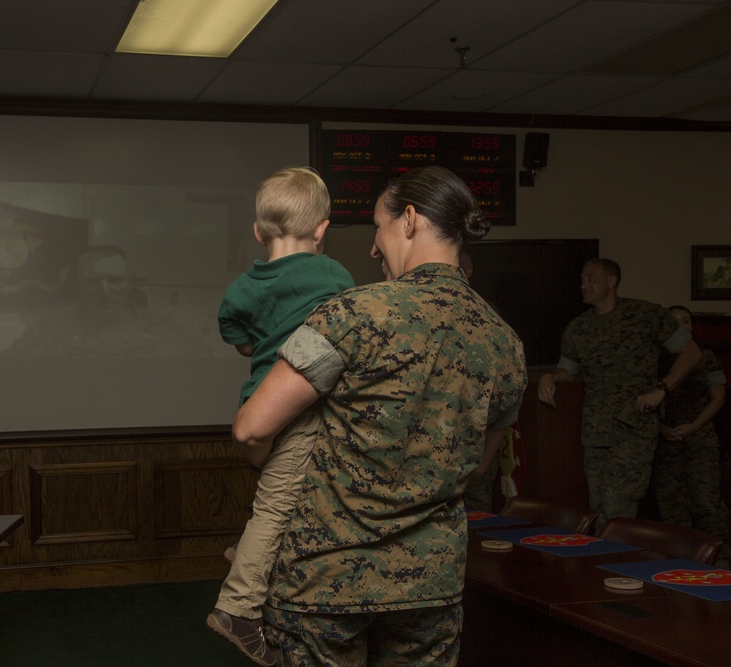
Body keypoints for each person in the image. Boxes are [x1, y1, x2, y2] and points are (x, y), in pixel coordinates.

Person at [231, 166, 527, 665]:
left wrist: (273, 471)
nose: (373, 247)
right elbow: (480, 463)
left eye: (378, 227)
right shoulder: (504, 341)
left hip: (323, 583)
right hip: (430, 586)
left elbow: (252, 426)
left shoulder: (353, 313)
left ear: (409, 220)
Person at [207, 167, 355, 666]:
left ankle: (251, 559)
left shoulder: (242, 288)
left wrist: (263, 346)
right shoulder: (334, 275)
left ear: (258, 230)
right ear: (321, 228)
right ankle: (237, 606)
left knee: (277, 496)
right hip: (304, 408)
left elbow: (236, 332)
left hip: (258, 401)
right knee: (277, 505)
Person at [537, 259, 701, 527]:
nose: (583, 285)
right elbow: (568, 370)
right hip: (596, 430)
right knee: (598, 509)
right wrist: (550, 376)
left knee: (618, 507)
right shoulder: (578, 328)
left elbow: (691, 353)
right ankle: (603, 567)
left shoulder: (645, 315)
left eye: (591, 279)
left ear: (611, 281)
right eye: (582, 280)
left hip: (633, 428)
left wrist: (662, 389)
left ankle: (618, 565)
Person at [0, 245, 202, 358]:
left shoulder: (169, 332)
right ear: (77, 284)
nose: (105, 292)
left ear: (130, 283)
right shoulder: (45, 333)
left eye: (115, 280)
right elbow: (7, 380)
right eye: (93, 282)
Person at [653, 306, 729, 557]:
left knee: (706, 501)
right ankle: (678, 561)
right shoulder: (655, 360)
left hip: (699, 436)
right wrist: (662, 429)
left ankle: (720, 559)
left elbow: (717, 398)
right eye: (675, 322)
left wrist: (693, 427)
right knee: (671, 504)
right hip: (666, 436)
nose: (682, 326)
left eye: (686, 321)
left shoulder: (705, 357)